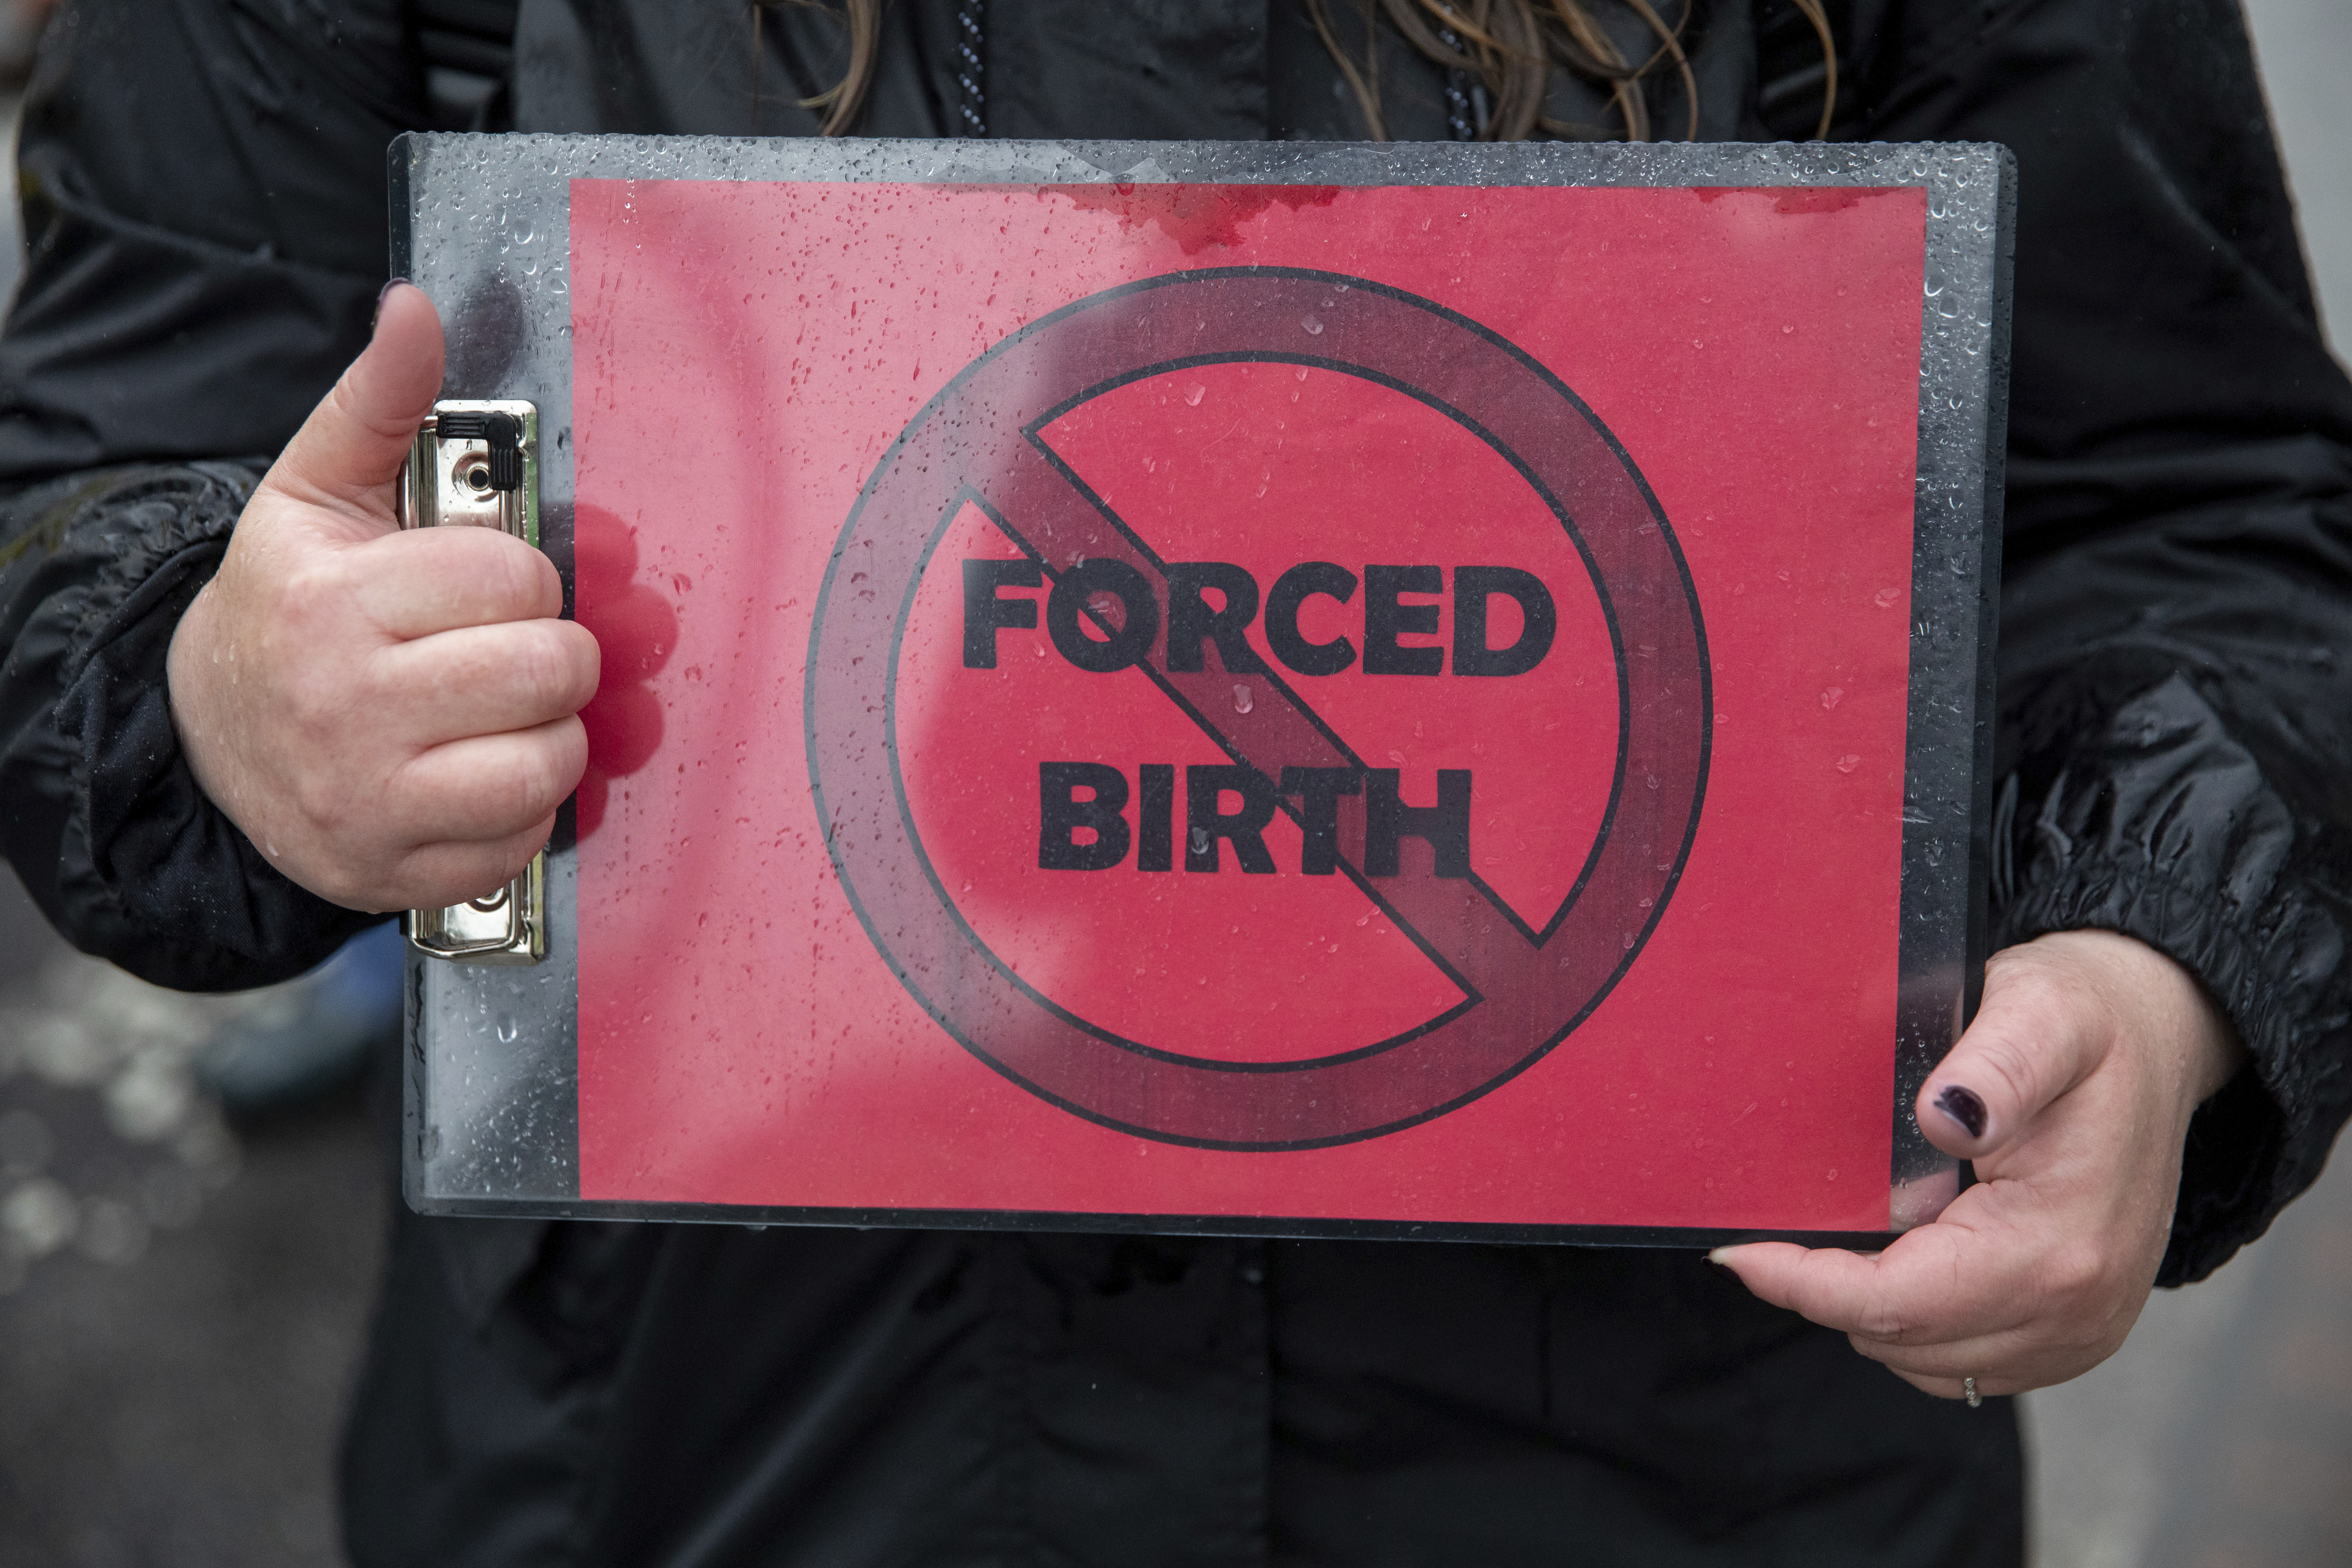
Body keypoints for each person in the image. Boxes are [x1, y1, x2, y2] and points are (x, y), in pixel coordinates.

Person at [2, 1, 2347, 1563]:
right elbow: (113, 467)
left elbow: (2187, 483)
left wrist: (2160, 975)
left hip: (1678, 1464)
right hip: (701, 1457)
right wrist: (225, 684)